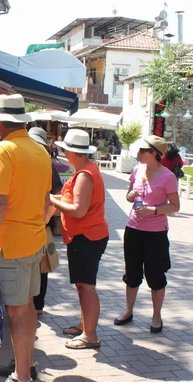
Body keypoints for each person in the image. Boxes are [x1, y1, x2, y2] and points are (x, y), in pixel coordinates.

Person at [0, 95, 51, 382]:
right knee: (29, 308)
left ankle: (21, 380)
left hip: (12, 245)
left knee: (18, 313)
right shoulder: (40, 150)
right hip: (34, 241)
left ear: (0, 123)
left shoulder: (5, 150)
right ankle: (26, 365)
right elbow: (47, 201)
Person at [114, 135, 180, 334]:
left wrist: (154, 210)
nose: (138, 154)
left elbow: (175, 206)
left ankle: (156, 316)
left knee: (155, 277)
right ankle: (128, 311)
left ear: (154, 154)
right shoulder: (136, 170)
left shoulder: (167, 176)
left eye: (142, 151)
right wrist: (130, 196)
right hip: (133, 230)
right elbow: (128, 196)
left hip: (156, 234)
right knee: (132, 274)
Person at [50, 129, 109, 349]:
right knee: (83, 285)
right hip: (86, 236)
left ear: (72, 152)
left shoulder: (85, 174)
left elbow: (77, 209)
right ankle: (86, 326)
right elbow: (72, 200)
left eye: (65, 149)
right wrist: (54, 199)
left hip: (86, 236)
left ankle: (90, 335)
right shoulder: (85, 170)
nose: (63, 152)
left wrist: (52, 201)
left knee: (86, 286)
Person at [28, 127, 64, 315]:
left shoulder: (48, 165)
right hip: (30, 223)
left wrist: (45, 217)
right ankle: (30, 304)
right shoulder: (25, 161)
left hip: (41, 225)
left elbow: (58, 194)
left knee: (41, 266)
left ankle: (38, 305)